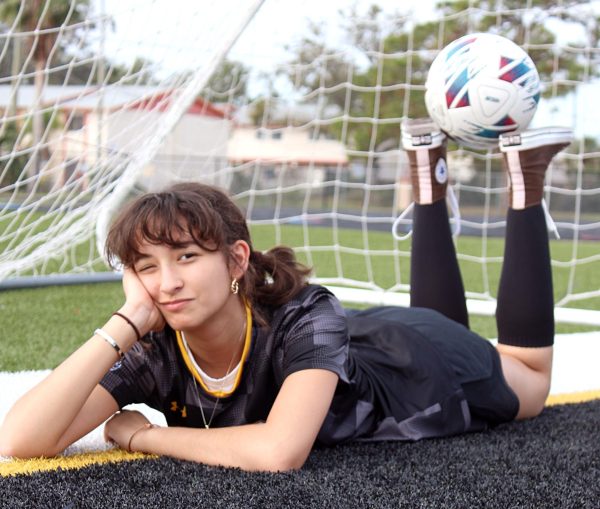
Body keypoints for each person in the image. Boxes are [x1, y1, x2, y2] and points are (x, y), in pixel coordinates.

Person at [0, 119, 573, 472]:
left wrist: (148, 436)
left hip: (418, 369)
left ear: (236, 259)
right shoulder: (155, 343)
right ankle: (427, 172)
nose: (167, 282)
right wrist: (126, 320)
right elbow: (19, 441)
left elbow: (279, 453)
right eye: (146, 266)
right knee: (436, 320)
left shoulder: (308, 312)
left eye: (187, 257)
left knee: (530, 382)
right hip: (360, 347)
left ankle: (524, 181)